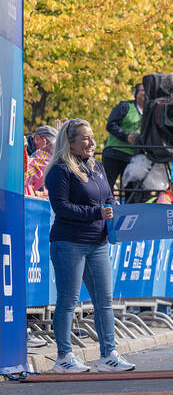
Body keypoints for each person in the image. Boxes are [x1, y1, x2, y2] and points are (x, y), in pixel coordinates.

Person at [44, 119, 135, 372]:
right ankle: (64, 357)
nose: (91, 142)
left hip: (98, 243)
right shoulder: (60, 170)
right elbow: (61, 207)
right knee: (68, 301)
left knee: (104, 301)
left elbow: (108, 198)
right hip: (68, 243)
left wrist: (112, 214)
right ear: (70, 142)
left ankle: (109, 355)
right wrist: (98, 213)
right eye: (85, 138)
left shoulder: (97, 166)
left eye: (92, 136)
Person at [103, 83, 144, 190]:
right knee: (107, 188)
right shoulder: (125, 106)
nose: (146, 93)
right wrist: (126, 137)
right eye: (143, 90)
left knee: (132, 191)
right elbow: (111, 125)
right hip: (114, 153)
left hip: (133, 157)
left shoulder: (150, 114)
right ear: (136, 93)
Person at [24, 125, 58, 195]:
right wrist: (45, 155)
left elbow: (37, 184)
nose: (53, 149)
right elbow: (24, 179)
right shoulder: (22, 151)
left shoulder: (41, 157)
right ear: (37, 139)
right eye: (50, 144)